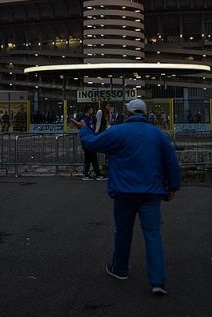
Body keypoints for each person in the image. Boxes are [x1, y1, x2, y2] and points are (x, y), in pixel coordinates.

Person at [75, 98, 181, 296]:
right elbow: (171, 163)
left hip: (124, 192)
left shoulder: (117, 131)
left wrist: (84, 128)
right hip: (151, 192)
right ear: (145, 113)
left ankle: (120, 268)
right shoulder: (158, 134)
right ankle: (158, 281)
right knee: (153, 234)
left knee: (123, 232)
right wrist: (173, 187)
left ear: (129, 113)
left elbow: (91, 144)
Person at [80, 105, 102, 180]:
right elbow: (85, 129)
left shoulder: (88, 119)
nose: (92, 111)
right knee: (91, 158)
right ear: (88, 110)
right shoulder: (85, 119)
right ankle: (96, 174)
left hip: (88, 140)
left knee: (90, 158)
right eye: (92, 109)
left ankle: (87, 174)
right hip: (88, 140)